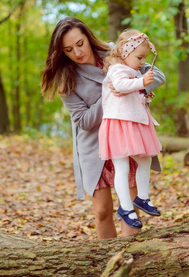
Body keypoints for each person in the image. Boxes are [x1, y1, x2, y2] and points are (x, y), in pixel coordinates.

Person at [40, 17, 165, 239]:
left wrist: (138, 88)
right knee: (102, 210)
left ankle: (128, 258)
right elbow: (85, 121)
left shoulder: (114, 52)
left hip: (127, 135)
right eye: (69, 50)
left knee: (132, 207)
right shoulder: (67, 79)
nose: (77, 52)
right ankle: (106, 260)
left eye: (80, 43)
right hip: (94, 144)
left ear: (88, 37)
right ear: (62, 52)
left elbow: (157, 75)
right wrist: (110, 93)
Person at [98, 29, 163, 229]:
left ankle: (142, 197)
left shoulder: (132, 70)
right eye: (139, 57)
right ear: (125, 53)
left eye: (145, 57)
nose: (143, 61)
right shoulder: (117, 69)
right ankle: (125, 207)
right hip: (118, 123)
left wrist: (142, 91)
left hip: (132, 122)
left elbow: (131, 92)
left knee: (144, 160)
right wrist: (140, 82)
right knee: (122, 166)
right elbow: (120, 85)